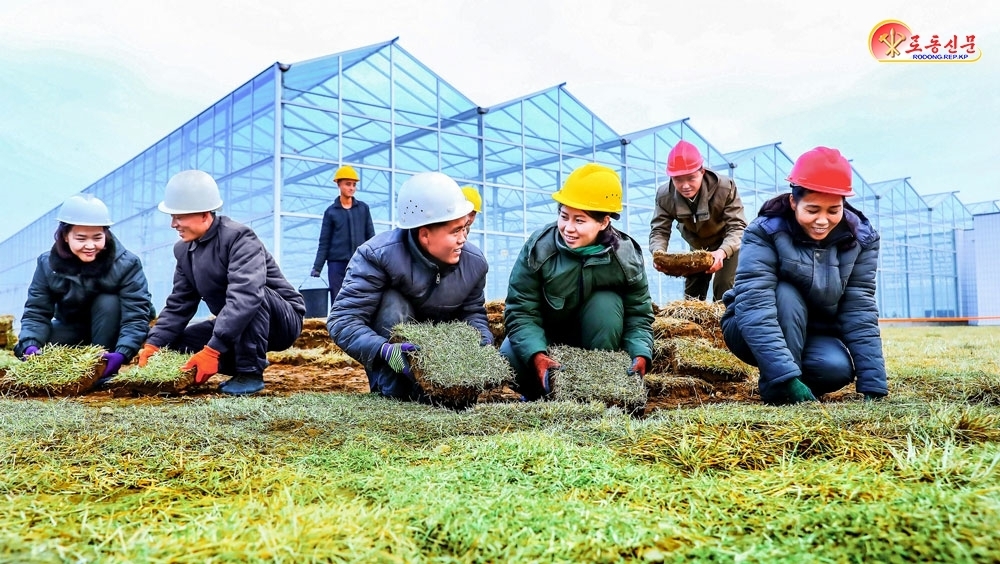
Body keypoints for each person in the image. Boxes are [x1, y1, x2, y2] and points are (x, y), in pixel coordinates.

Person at [721, 147, 888, 405]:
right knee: (786, 294)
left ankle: (793, 377)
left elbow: (859, 308)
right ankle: (779, 388)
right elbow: (755, 304)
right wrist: (785, 379)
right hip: (751, 325)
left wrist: (873, 383)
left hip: (814, 331)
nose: (822, 220)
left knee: (834, 368)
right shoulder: (764, 232)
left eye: (833, 210)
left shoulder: (862, 239)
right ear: (793, 202)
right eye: (812, 210)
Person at [138, 170, 305, 396]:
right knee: (178, 345)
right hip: (239, 322)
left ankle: (249, 372)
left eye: (179, 217)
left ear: (204, 214)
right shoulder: (184, 251)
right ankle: (242, 360)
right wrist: (154, 343)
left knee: (251, 296)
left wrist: (213, 350)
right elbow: (180, 303)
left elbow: (246, 296)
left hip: (281, 320)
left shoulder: (239, 238)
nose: (173, 224)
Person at [328, 172, 492, 401]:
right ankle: (395, 394)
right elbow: (343, 320)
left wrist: (483, 343)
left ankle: (447, 395)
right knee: (393, 303)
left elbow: (472, 313)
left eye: (464, 228)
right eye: (455, 231)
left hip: (445, 365)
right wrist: (383, 350)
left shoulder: (474, 263)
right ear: (425, 235)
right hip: (394, 356)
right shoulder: (376, 255)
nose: (463, 238)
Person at [500, 163, 655, 401]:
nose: (568, 228)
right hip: (546, 336)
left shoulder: (626, 257)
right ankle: (538, 397)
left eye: (579, 221)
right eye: (564, 216)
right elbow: (520, 310)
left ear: (604, 222)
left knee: (606, 303)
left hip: (594, 341)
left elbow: (639, 315)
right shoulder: (540, 248)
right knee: (510, 354)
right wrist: (537, 356)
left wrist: (640, 354)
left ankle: (597, 389)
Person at [15, 194, 154, 385]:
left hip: (113, 330)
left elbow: (136, 316)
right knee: (40, 347)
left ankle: (100, 366)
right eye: (81, 238)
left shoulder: (127, 263)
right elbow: (37, 311)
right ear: (65, 236)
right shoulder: (47, 264)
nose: (90, 245)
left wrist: (122, 353)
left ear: (106, 234)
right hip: (73, 327)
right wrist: (30, 345)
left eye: (97, 237)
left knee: (108, 301)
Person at [649, 140, 747, 301]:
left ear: (702, 171)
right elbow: (659, 230)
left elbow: (738, 226)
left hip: (728, 243)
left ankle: (725, 317)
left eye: (691, 178)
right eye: (678, 179)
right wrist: (658, 254)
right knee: (693, 292)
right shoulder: (664, 195)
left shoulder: (725, 187)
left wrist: (722, 252)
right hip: (697, 244)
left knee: (724, 286)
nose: (685, 185)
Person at [311, 165, 375, 304]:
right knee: (338, 299)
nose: (351, 188)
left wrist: (374, 261)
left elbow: (371, 237)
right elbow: (324, 241)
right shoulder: (331, 212)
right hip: (336, 265)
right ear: (338, 184)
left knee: (360, 298)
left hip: (359, 262)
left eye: (354, 184)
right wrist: (317, 267)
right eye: (348, 184)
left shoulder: (363, 209)